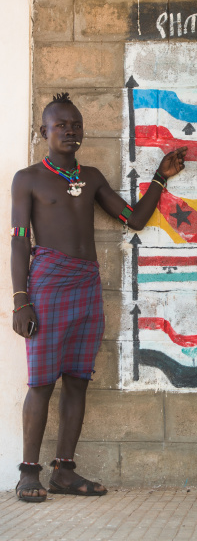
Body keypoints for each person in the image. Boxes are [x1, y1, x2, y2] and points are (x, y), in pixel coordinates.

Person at [11, 92, 186, 502]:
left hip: (87, 284)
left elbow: (135, 220)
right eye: (61, 125)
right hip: (48, 285)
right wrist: (21, 300)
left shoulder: (89, 177)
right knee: (41, 382)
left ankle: (65, 472)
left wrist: (160, 177)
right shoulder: (28, 178)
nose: (70, 131)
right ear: (44, 132)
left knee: (77, 380)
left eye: (76, 125)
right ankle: (28, 473)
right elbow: (19, 241)